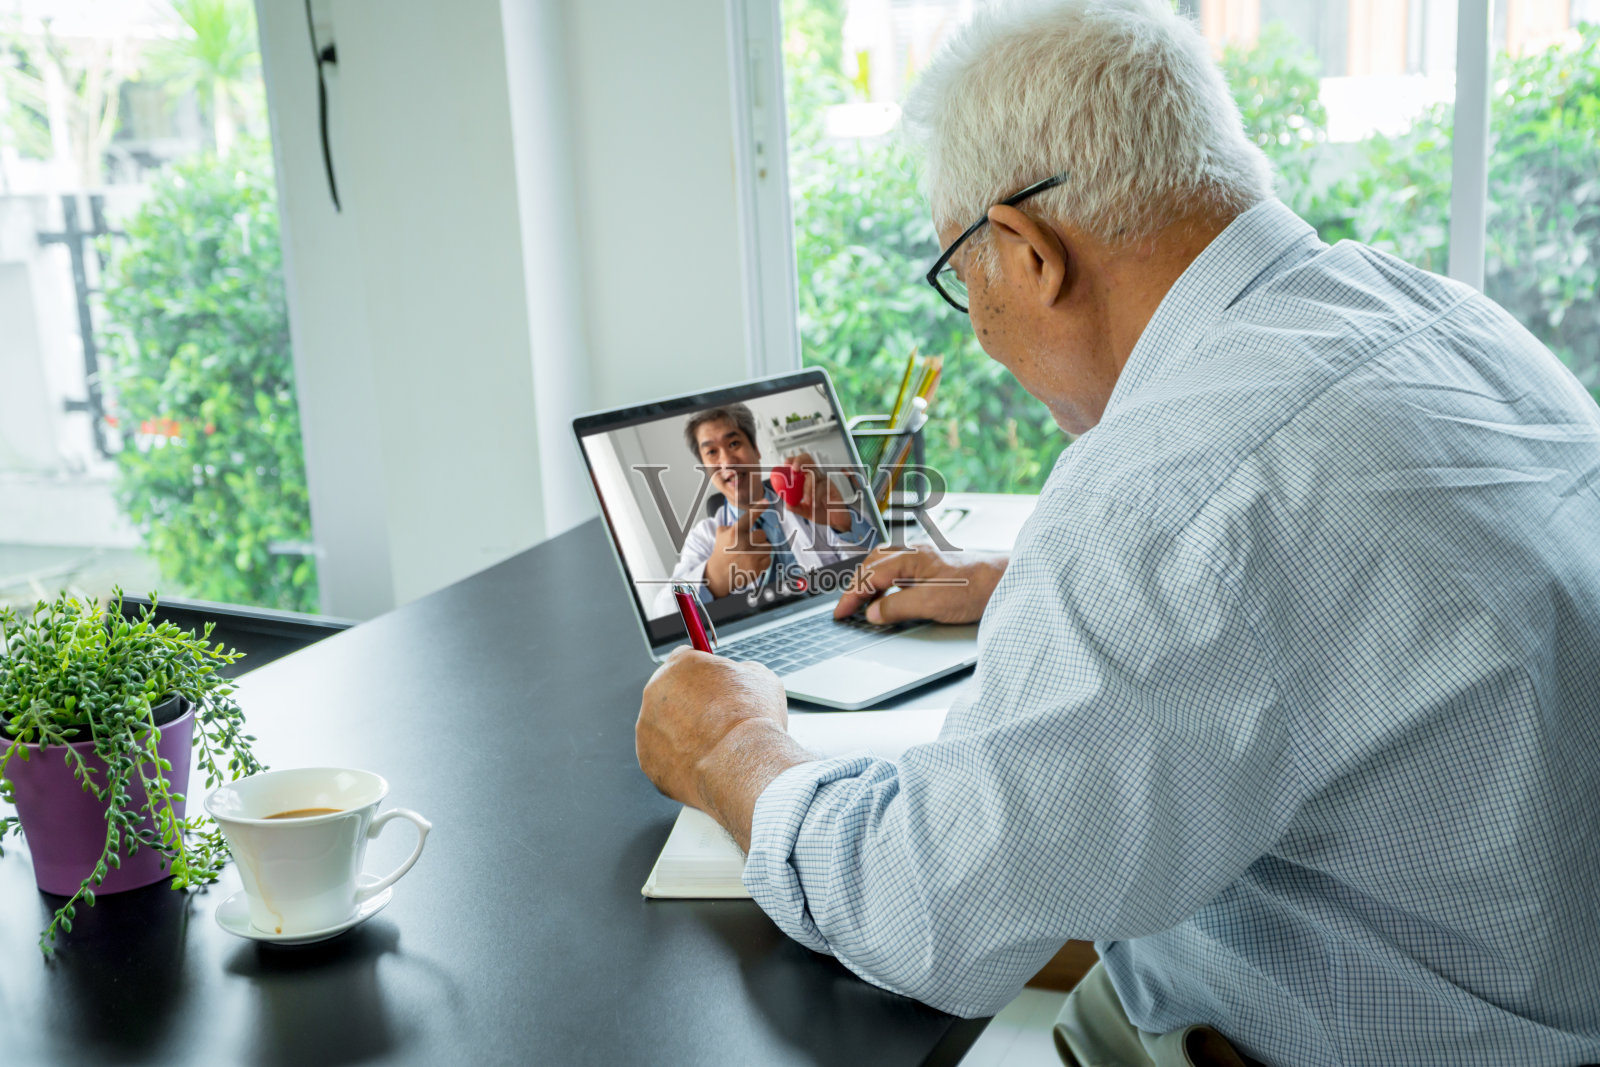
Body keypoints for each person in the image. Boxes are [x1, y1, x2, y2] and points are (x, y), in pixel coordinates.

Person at [635, 2, 1600, 1064]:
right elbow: (1366, 595)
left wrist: (729, 740)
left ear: (1026, 249)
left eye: (964, 282)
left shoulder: (1166, 494)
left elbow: (918, 913)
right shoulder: (1446, 319)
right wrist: (1021, 581)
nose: (984, 331)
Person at [656, 404, 874, 615]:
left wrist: (845, 526)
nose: (727, 461)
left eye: (734, 444)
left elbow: (875, 569)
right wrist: (713, 579)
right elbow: (662, 612)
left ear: (756, 450)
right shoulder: (703, 538)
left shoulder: (810, 504)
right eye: (712, 452)